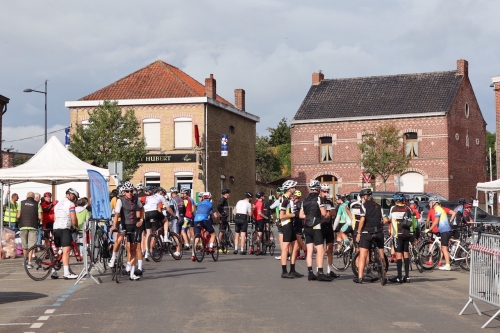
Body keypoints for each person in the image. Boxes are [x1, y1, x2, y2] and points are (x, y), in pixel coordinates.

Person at [109, 181, 144, 281]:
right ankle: (113, 257)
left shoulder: (136, 199)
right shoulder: (120, 201)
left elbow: (142, 209)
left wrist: (141, 220)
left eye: (131, 191)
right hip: (124, 224)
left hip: (134, 225)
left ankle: (132, 274)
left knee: (133, 250)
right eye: (127, 191)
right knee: (119, 239)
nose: (130, 193)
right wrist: (114, 226)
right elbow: (116, 215)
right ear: (124, 192)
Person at [353, 188, 388, 284]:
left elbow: (362, 220)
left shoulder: (363, 206)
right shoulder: (379, 206)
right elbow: (385, 220)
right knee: (381, 255)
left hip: (367, 233)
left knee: (363, 255)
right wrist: (380, 225)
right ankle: (384, 276)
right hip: (379, 233)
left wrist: (359, 233)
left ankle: (360, 277)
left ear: (364, 197)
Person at [300, 180, 331, 281]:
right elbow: (323, 213)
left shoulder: (305, 199)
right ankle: (320, 273)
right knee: (320, 250)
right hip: (316, 226)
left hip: (307, 226)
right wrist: (326, 214)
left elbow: (301, 215)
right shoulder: (319, 198)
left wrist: (309, 216)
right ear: (318, 189)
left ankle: (310, 273)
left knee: (309, 251)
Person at [53, 188, 80, 279]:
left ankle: (53, 271)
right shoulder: (70, 204)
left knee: (59, 251)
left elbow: (55, 218)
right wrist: (76, 226)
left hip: (56, 228)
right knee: (66, 251)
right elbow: (73, 218)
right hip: (65, 229)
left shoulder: (57, 204)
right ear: (71, 195)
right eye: (75, 197)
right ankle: (66, 273)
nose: (75, 199)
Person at [279, 180, 303, 279]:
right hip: (286, 225)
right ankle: (284, 272)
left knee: (296, 247)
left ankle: (292, 270)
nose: (295, 189)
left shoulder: (288, 199)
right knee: (285, 249)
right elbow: (281, 216)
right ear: (290, 189)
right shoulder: (285, 199)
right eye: (294, 187)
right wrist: (294, 214)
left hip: (290, 224)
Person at [387, 193, 413, 284]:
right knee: (406, 255)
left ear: (395, 200)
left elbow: (389, 219)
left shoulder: (393, 209)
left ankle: (399, 277)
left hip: (397, 235)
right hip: (407, 234)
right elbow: (412, 221)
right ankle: (407, 276)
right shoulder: (408, 208)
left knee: (398, 255)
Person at [425, 197, 456, 271]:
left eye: (430, 203)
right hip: (444, 231)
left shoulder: (438, 209)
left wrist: (429, 229)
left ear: (433, 203)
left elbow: (435, 222)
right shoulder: (438, 209)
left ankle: (448, 265)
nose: (429, 204)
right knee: (443, 247)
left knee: (444, 248)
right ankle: (447, 264)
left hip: (445, 230)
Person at [18, 192, 42, 269]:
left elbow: (18, 215)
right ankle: (29, 262)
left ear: (26, 196)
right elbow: (40, 217)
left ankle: (25, 261)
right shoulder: (37, 204)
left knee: (25, 245)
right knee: (31, 246)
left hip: (23, 226)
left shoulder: (21, 203)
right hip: (33, 226)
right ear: (34, 197)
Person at [192, 192, 220, 260]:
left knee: (197, 237)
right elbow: (216, 216)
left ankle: (193, 254)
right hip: (204, 219)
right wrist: (219, 221)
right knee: (213, 234)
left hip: (196, 220)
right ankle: (210, 247)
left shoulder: (199, 203)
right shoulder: (211, 204)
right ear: (210, 197)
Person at [292, 191, 306, 260]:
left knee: (298, 238)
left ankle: (305, 251)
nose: (293, 197)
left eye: (294, 196)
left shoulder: (299, 203)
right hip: (295, 221)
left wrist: (294, 214)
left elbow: (299, 213)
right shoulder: (294, 203)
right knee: (296, 239)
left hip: (298, 222)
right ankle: (297, 253)